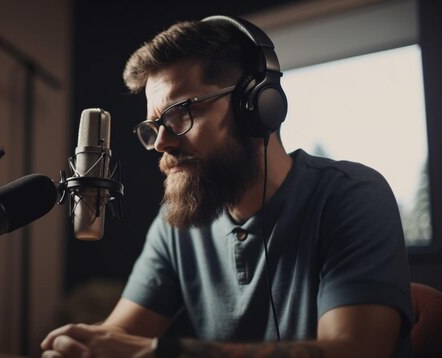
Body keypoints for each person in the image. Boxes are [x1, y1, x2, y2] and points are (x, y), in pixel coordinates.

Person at [41, 15, 413, 358]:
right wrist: (83, 348)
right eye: (154, 127)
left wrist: (162, 353)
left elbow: (356, 351)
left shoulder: (352, 196)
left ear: (254, 106)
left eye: (180, 114)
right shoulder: (173, 227)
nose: (161, 143)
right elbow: (116, 339)